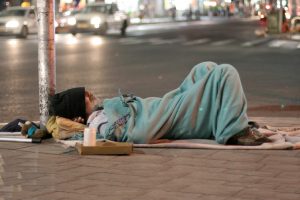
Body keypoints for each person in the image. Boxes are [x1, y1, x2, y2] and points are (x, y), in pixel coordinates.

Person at [49, 62, 271, 146]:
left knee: (205, 68)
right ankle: (234, 132)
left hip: (166, 104)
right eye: (86, 97)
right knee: (225, 73)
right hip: (170, 116)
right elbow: (134, 132)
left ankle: (221, 121)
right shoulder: (99, 123)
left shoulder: (100, 112)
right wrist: (155, 136)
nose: (91, 94)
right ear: (79, 115)